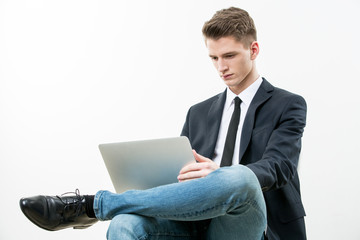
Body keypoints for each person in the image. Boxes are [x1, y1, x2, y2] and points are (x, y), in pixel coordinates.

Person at [19, 7, 307, 240]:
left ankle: (92, 205)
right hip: (197, 222)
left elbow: (279, 167)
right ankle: (107, 209)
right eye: (214, 58)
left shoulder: (288, 104)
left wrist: (220, 174)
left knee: (240, 178)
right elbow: (178, 180)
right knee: (123, 225)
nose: (221, 67)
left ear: (253, 50)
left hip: (252, 223)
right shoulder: (198, 113)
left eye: (230, 56)